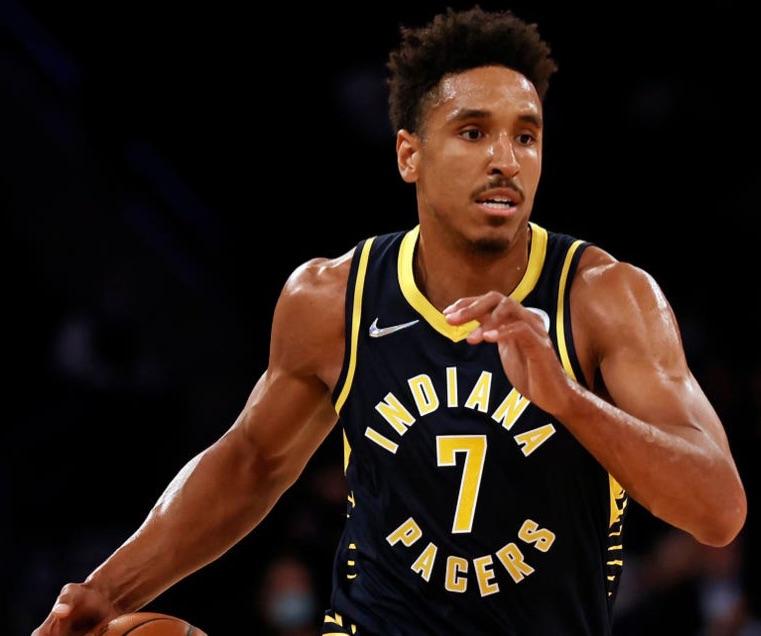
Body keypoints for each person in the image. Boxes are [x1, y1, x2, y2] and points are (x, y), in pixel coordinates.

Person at [34, 6, 747, 636]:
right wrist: (107, 590)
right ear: (410, 154)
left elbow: (717, 509)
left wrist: (568, 399)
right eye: (473, 132)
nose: (505, 160)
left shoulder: (603, 297)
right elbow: (251, 461)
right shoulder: (334, 298)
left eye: (525, 137)